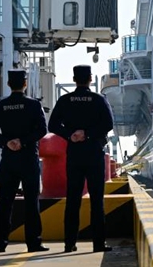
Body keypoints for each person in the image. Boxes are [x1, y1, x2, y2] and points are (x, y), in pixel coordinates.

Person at [48, 65, 114, 254]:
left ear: (74, 79)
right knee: (96, 200)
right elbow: (108, 124)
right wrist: (88, 134)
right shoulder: (98, 99)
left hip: (74, 154)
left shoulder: (65, 100)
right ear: (90, 79)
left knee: (73, 200)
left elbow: (52, 125)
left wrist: (70, 134)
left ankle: (69, 244)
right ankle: (98, 244)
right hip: (94, 153)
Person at [0, 69, 49, 254]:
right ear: (25, 84)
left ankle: (1, 243)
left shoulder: (0, 105)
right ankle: (34, 243)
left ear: (8, 84)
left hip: (9, 159)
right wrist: (24, 141)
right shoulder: (34, 105)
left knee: (5, 201)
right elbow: (42, 130)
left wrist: (6, 142)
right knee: (31, 202)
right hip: (28, 158)